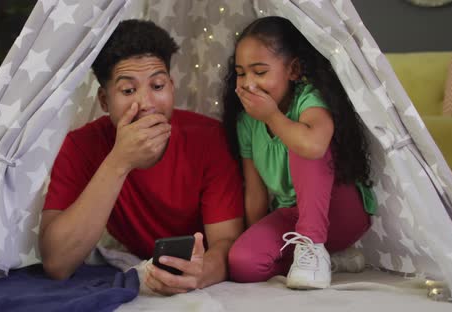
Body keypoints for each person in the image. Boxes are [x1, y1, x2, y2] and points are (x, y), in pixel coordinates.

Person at [39, 19, 244, 296]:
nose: (146, 103)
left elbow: (227, 241)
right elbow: (57, 263)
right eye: (128, 91)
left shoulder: (209, 139)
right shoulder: (80, 146)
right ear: (103, 100)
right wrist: (119, 161)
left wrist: (200, 273)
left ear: (172, 87)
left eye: (157, 86)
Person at [222, 16, 376, 289]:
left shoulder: (308, 98)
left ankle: (314, 245)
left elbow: (313, 146)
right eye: (241, 72)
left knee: (300, 140)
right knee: (242, 264)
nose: (248, 83)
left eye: (259, 72)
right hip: (291, 214)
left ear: (293, 70)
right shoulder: (246, 121)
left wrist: (271, 116)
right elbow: (255, 192)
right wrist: (255, 235)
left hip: (339, 210)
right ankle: (331, 260)